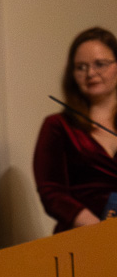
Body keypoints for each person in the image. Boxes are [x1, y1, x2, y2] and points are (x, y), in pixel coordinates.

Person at [34, 25, 117, 234]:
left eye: (100, 64)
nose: (91, 73)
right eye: (81, 67)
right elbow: (51, 191)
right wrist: (97, 229)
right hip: (81, 238)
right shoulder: (57, 126)